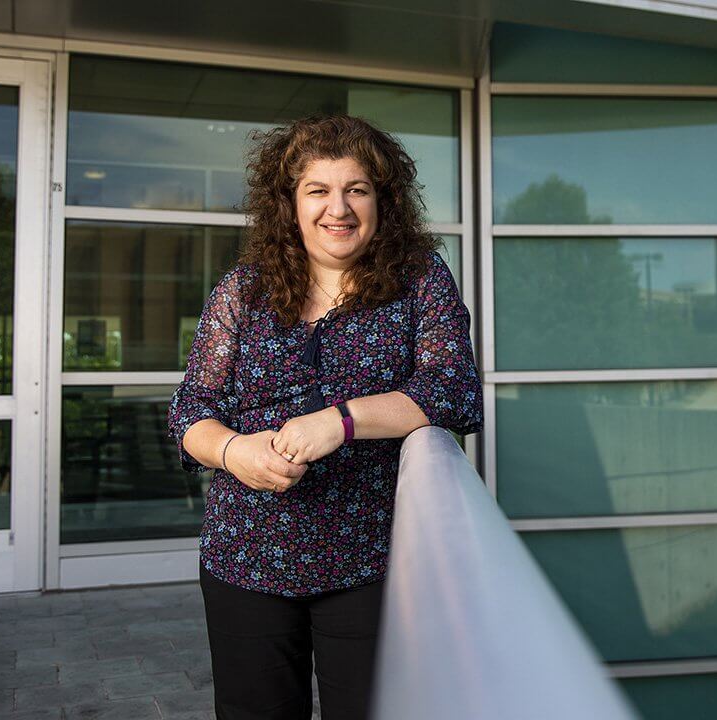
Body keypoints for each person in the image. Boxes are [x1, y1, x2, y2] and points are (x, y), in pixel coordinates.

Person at [167, 114, 483, 720]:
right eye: (317, 190)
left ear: (382, 200)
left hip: (374, 563)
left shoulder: (419, 282)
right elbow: (191, 411)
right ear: (288, 202)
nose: (337, 208)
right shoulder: (243, 289)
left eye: (356, 189)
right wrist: (237, 453)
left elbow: (452, 390)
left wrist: (336, 421)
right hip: (245, 557)